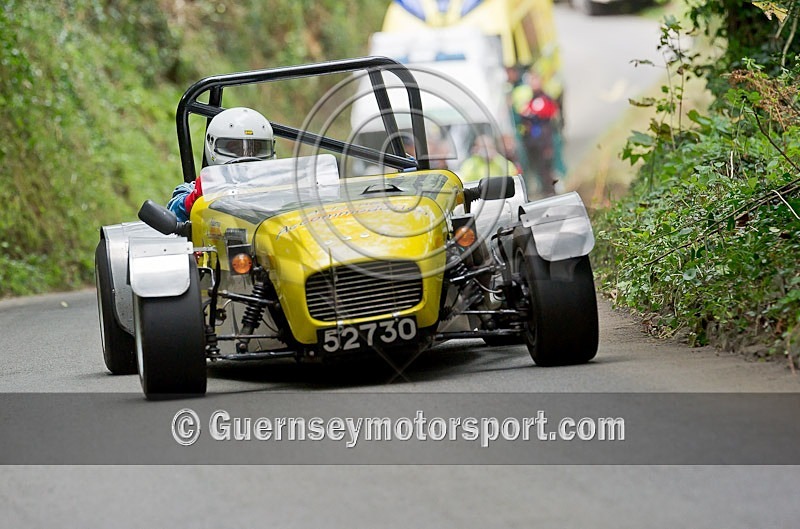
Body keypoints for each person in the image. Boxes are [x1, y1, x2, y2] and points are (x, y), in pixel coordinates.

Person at [168, 107, 276, 222]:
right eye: (235, 148)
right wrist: (196, 197)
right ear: (212, 143)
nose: (246, 156)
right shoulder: (194, 188)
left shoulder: (276, 186)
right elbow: (173, 214)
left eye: (256, 149)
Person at [517, 72, 560, 197]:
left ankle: (551, 190)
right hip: (532, 142)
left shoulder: (545, 99)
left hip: (544, 140)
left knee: (547, 167)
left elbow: (548, 114)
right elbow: (524, 116)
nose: (533, 83)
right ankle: (545, 190)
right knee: (538, 168)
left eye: (535, 80)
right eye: (531, 81)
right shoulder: (528, 100)